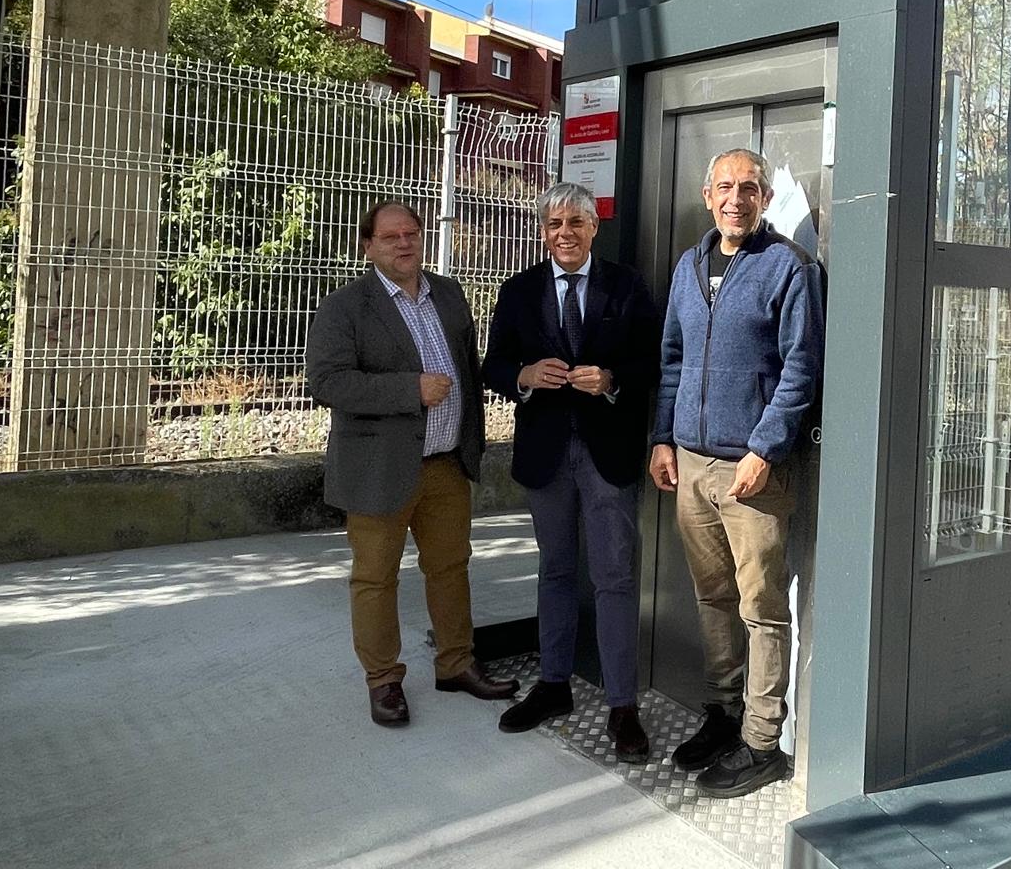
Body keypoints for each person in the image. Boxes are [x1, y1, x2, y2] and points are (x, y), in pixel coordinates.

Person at [648, 148, 825, 799]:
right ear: (706, 195)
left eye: (749, 188)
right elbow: (672, 359)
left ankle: (761, 743)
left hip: (753, 471)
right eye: (725, 187)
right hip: (691, 464)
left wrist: (764, 449)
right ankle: (721, 718)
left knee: (761, 609)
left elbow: (801, 371)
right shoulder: (689, 267)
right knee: (712, 599)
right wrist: (663, 437)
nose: (735, 198)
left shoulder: (788, 268)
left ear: (763, 198)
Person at [306, 200, 517, 728]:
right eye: (391, 236)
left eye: (412, 233)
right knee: (375, 579)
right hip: (378, 469)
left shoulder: (448, 293)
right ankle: (383, 681)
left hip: (445, 465)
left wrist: (473, 442)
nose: (404, 243)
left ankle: (456, 664)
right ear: (368, 245)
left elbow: (467, 369)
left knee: (450, 568)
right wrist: (410, 390)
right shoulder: (345, 308)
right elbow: (328, 383)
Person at [483, 182, 661, 761]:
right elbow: (495, 366)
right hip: (547, 454)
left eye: (576, 224)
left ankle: (622, 706)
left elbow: (651, 360)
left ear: (593, 229)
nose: (565, 233)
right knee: (555, 571)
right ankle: (554, 684)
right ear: (543, 230)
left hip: (608, 453)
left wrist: (611, 381)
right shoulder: (518, 291)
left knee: (614, 577)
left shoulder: (627, 286)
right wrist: (525, 377)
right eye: (555, 224)